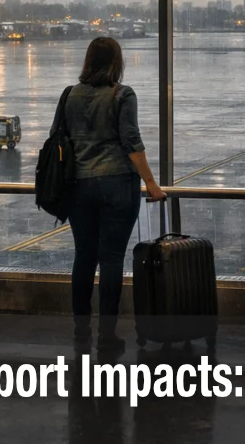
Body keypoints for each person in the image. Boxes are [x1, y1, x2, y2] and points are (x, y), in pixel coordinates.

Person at [58, 37, 165, 352]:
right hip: (117, 185)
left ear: (88, 60)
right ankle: (107, 334)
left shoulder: (69, 95)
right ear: (117, 62)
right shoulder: (123, 94)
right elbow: (131, 140)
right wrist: (151, 183)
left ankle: (80, 331)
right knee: (112, 259)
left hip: (78, 186)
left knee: (83, 257)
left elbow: (59, 138)